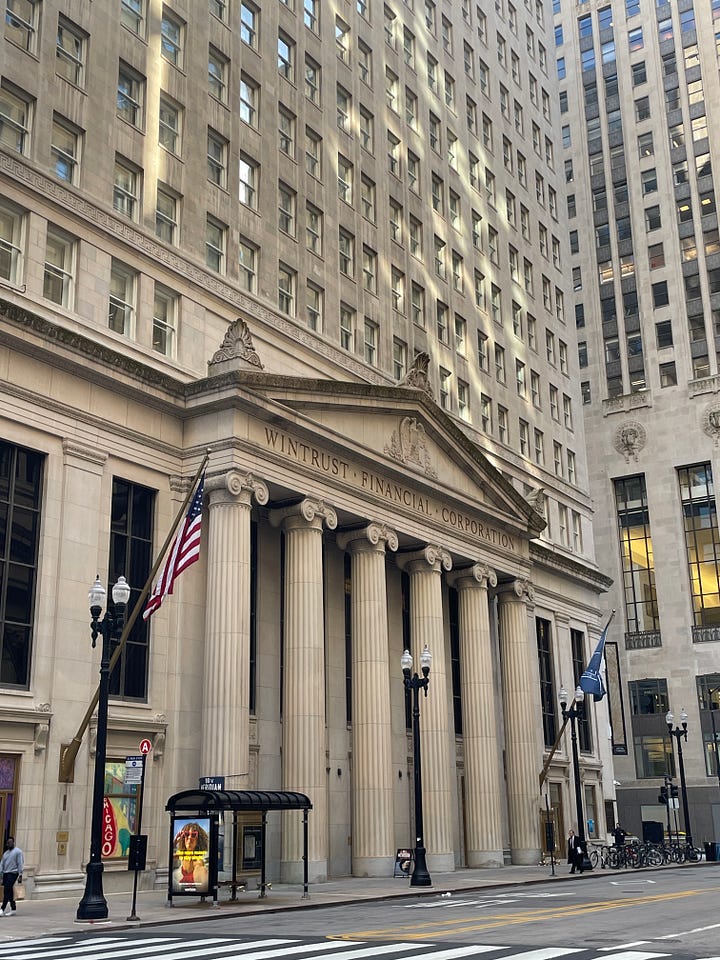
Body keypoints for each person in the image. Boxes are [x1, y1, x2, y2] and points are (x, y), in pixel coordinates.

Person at [171, 821, 209, 892]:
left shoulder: (198, 864)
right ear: (183, 837)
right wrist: (175, 842)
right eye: (186, 834)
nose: (189, 838)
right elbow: (169, 857)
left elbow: (203, 886)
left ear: (198, 840)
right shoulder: (183, 854)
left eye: (194, 835)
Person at [0, 837, 24, 917]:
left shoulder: (18, 852)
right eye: (8, 842)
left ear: (13, 842)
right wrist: (1, 874)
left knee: (7, 889)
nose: (9, 844)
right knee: (9, 891)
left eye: (11, 842)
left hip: (13, 873)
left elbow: (20, 863)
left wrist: (20, 874)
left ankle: (2, 909)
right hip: (6, 873)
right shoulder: (6, 853)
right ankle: (13, 909)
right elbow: (2, 864)